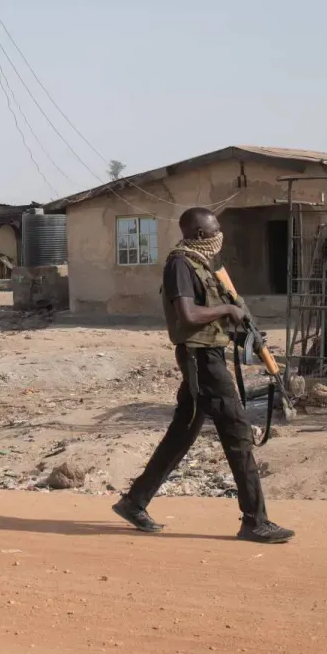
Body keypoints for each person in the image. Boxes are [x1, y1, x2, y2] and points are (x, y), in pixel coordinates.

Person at [112, 207, 295, 544]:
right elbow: (188, 313)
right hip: (200, 358)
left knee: (184, 430)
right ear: (197, 234)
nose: (218, 235)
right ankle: (255, 521)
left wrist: (243, 332)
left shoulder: (202, 264)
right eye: (213, 231)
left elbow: (210, 317)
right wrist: (228, 309)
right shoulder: (180, 264)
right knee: (238, 431)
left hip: (207, 353)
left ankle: (134, 502)